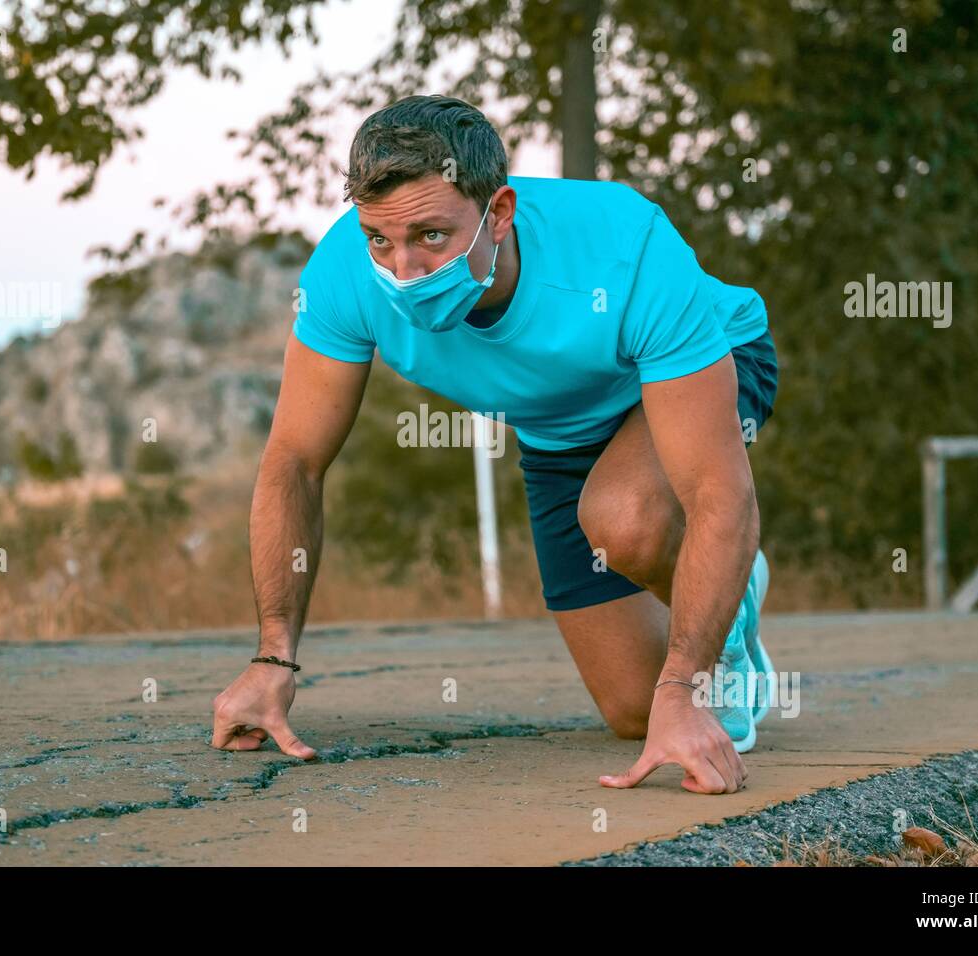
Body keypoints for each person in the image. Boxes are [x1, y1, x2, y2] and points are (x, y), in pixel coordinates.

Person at [211, 94, 779, 794]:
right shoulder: (342, 274)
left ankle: (719, 610)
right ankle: (723, 582)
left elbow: (719, 489)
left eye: (432, 237)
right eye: (380, 240)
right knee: (634, 710)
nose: (404, 271)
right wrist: (273, 660)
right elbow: (293, 462)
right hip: (559, 430)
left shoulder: (626, 245)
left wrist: (685, 692)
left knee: (627, 518)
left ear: (499, 213)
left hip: (705, 366)